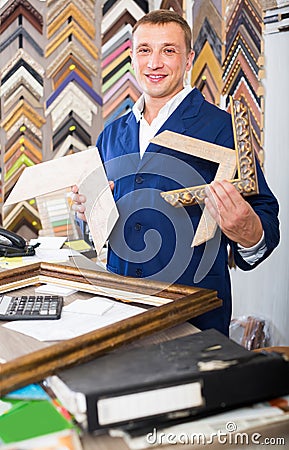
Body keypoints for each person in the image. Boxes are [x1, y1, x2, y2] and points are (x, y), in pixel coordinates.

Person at [72, 10, 279, 336]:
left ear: (188, 60)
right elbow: (100, 230)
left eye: (168, 50)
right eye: (144, 50)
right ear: (132, 57)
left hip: (194, 314)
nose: (154, 63)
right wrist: (88, 216)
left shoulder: (221, 128)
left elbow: (264, 217)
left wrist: (249, 231)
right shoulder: (109, 136)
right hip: (119, 312)